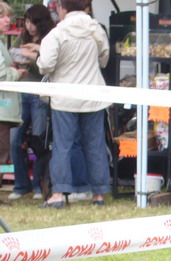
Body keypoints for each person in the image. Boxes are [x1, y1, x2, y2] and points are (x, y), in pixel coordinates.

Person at [36, 0, 110, 208]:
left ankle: (58, 194)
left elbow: (45, 65)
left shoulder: (56, 34)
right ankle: (99, 195)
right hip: (93, 96)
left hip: (64, 97)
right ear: (85, 7)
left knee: (62, 146)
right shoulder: (96, 30)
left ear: (62, 8)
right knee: (95, 146)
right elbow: (104, 60)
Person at [8, 3, 56, 201]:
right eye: (26, 21)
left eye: (33, 22)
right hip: (21, 93)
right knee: (13, 140)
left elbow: (47, 70)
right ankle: (21, 184)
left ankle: (39, 186)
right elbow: (12, 54)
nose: (28, 26)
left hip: (39, 95)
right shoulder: (23, 38)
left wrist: (33, 59)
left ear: (41, 23)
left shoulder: (50, 39)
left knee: (38, 142)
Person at [0, 1, 22, 169]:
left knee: (5, 154)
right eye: (2, 16)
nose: (8, 20)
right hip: (2, 108)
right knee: (3, 153)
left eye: (8, 16)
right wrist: (16, 72)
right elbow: (1, 74)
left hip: (4, 108)